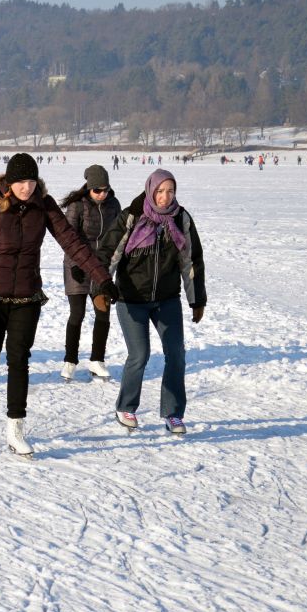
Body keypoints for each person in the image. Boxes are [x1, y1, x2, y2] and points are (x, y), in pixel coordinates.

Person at [0, 152, 118, 457]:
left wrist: (102, 278)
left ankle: (15, 430)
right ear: (8, 181)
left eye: (31, 181)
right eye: (20, 181)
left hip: (26, 296)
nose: (26, 187)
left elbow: (72, 243)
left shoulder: (43, 206)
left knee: (19, 359)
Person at [97, 169, 206, 434]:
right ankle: (126, 407)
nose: (165, 197)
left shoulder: (181, 218)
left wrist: (197, 299)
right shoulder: (132, 216)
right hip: (130, 299)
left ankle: (173, 413)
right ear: (150, 190)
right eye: (160, 191)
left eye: (170, 191)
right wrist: (100, 288)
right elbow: (108, 253)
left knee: (176, 354)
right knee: (139, 355)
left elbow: (190, 261)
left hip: (166, 299)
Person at [59, 165, 122, 381]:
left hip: (101, 267)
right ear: (88, 188)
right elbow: (68, 238)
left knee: (102, 313)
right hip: (76, 265)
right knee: (77, 313)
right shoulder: (78, 205)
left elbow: (119, 235)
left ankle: (97, 360)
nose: (101, 194)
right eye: (97, 190)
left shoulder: (113, 205)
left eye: (105, 190)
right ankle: (70, 361)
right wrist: (76, 264)